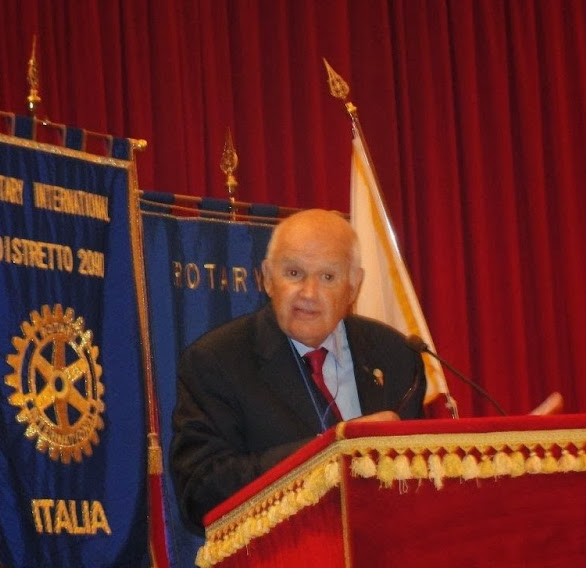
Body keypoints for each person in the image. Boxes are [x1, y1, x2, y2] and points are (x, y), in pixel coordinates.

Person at [170, 209, 426, 529]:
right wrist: (328, 453)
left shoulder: (397, 354)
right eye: (294, 273)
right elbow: (200, 492)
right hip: (279, 552)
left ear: (353, 286)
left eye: (328, 277)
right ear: (267, 277)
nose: (309, 293)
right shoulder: (217, 361)